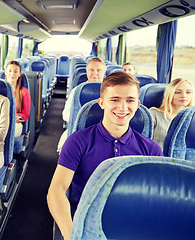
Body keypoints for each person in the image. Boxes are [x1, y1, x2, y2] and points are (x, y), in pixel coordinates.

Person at [47, 71, 163, 240]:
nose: (123, 107)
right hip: (88, 221)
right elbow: (57, 190)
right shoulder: (77, 141)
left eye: (129, 100)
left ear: (137, 104)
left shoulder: (151, 150)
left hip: (133, 224)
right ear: (101, 103)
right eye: (115, 100)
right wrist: (72, 234)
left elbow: (155, 199)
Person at [57, 58, 106, 153]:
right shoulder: (77, 91)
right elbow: (66, 115)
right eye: (91, 70)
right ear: (86, 71)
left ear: (104, 72)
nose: (94, 73)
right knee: (63, 147)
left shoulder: (111, 91)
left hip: (105, 132)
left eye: (99, 70)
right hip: (79, 130)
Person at [150, 78, 195, 149]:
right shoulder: (153, 114)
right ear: (169, 94)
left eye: (188, 92)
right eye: (178, 92)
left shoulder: (193, 119)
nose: (184, 96)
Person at [5, 60, 31, 137]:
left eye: (15, 71)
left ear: (19, 74)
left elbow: (25, 115)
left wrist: (11, 117)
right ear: (5, 72)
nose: (12, 74)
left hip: (16, 123)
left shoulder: (24, 91)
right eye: (10, 71)